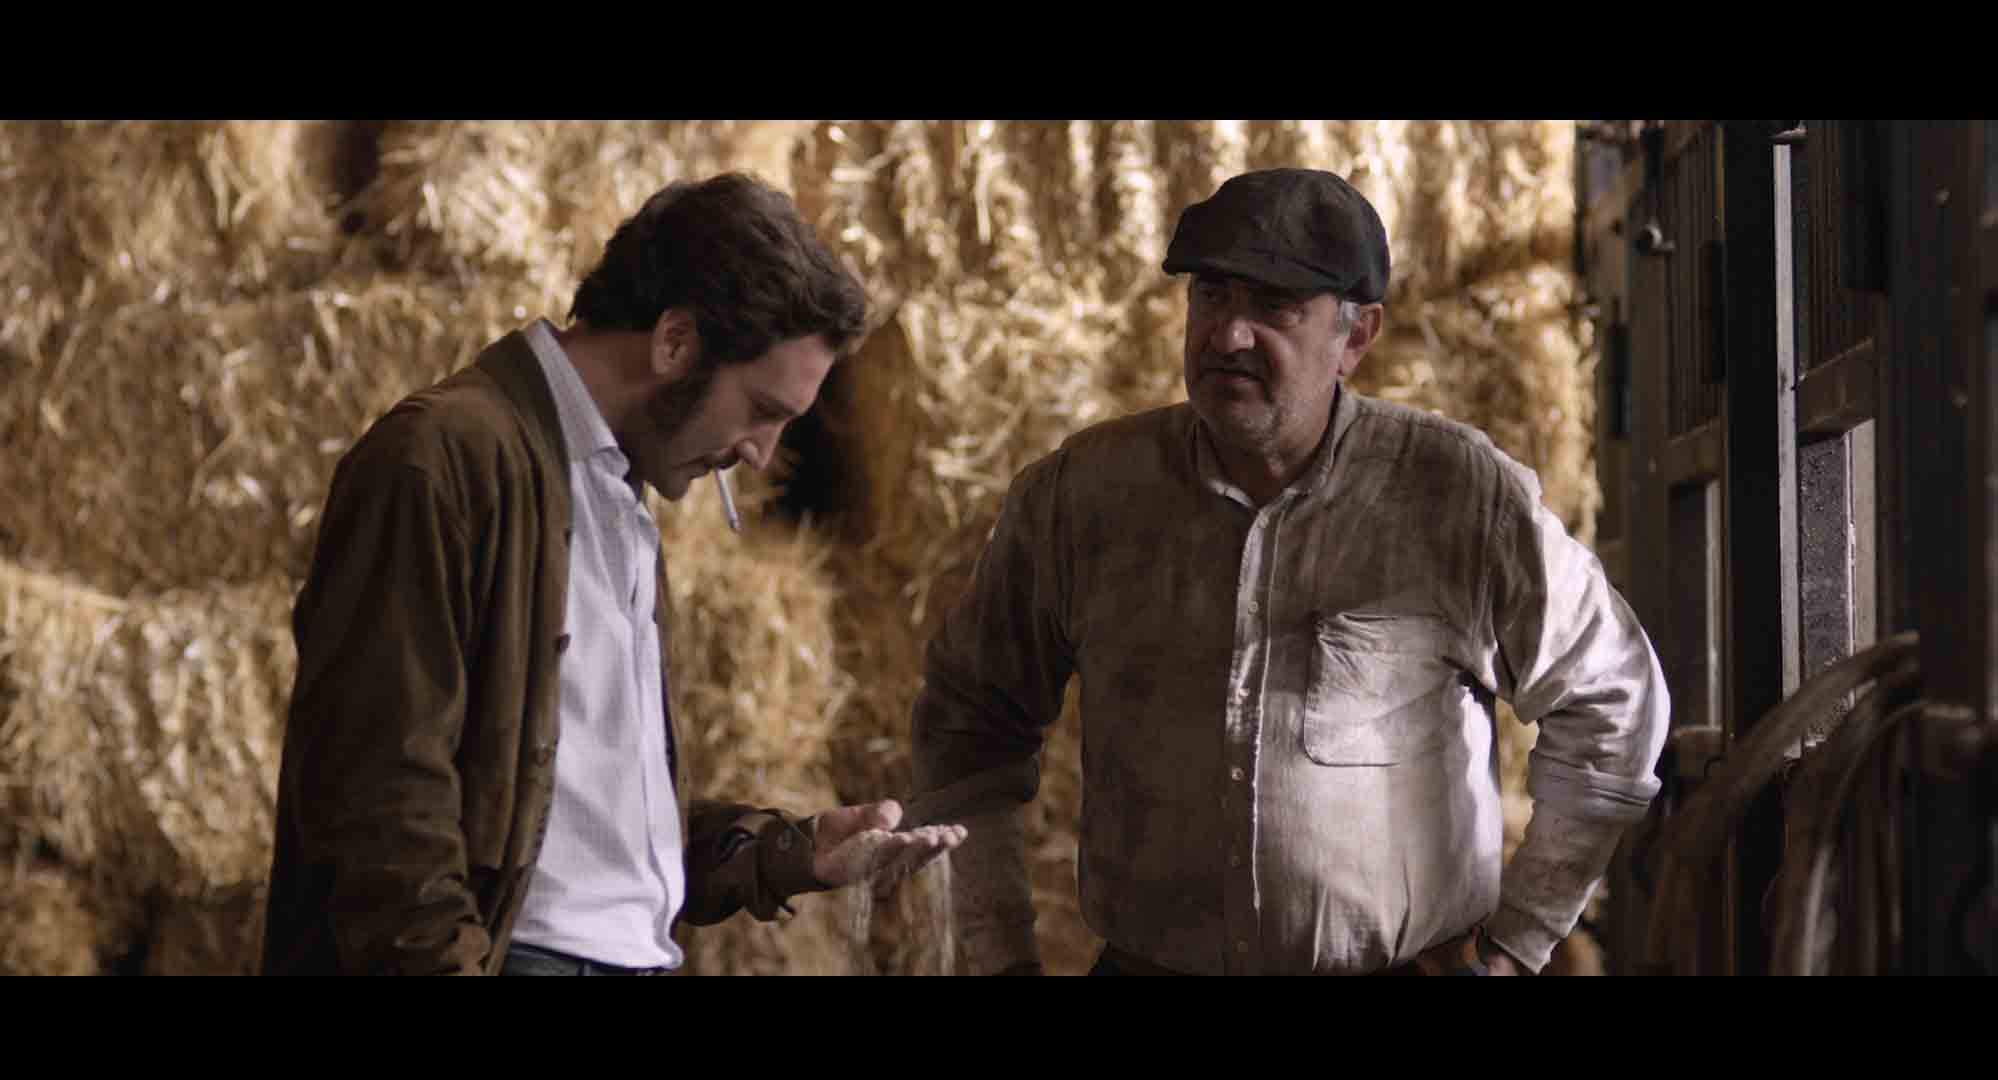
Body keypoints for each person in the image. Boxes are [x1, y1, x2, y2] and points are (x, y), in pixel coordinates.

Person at [907, 167, 1668, 975]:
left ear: (1356, 336)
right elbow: (968, 721)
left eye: (1274, 306)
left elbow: (1612, 700)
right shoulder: (1084, 497)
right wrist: (999, 957)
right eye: (1212, 296)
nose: (1228, 335)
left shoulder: (1455, 497)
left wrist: (1518, 944)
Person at [264, 171, 963, 976]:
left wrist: (789, 851)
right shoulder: (443, 458)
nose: (759, 454)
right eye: (762, 410)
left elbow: (583, 829)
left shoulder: (617, 493)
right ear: (675, 342)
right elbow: (379, 798)